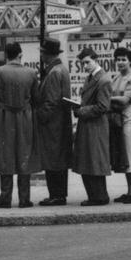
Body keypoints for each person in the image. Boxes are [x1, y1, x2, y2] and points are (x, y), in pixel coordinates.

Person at [0, 40, 37, 208]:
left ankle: (5, 198)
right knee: (24, 154)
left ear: (6, 55)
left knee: (4, 154)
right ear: (20, 54)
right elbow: (36, 98)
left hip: (4, 117)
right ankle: (24, 198)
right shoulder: (31, 72)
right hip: (25, 117)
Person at [69, 46, 113, 205]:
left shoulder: (103, 80)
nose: (85, 66)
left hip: (96, 126)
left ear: (96, 60)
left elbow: (103, 107)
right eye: (83, 63)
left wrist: (81, 110)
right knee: (89, 160)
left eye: (87, 62)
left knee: (94, 161)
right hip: (90, 125)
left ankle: (99, 197)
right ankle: (96, 195)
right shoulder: (93, 78)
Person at [33, 37, 73, 205]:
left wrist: (40, 116)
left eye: (42, 53)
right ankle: (59, 194)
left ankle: (56, 195)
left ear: (46, 54)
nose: (41, 56)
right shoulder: (60, 69)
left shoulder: (54, 72)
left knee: (53, 160)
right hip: (60, 122)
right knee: (59, 160)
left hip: (52, 125)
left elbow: (51, 101)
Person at [109, 46, 131, 202]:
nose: (120, 62)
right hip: (119, 117)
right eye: (118, 59)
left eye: (124, 59)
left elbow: (125, 99)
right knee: (125, 155)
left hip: (130, 115)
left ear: (130, 61)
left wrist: (106, 99)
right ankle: (130, 190)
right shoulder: (116, 77)